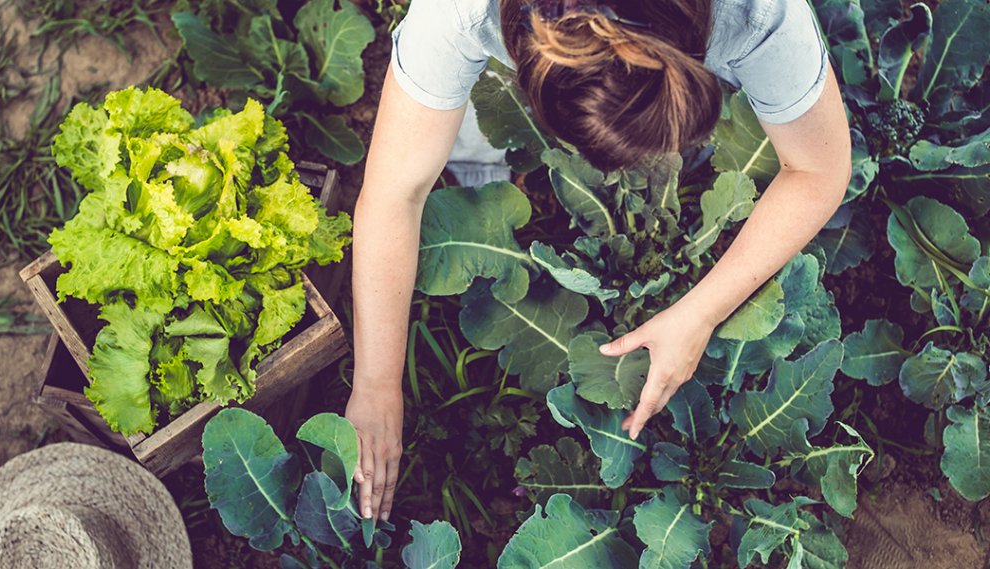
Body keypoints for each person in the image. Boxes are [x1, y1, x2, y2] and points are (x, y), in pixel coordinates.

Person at [343, 0, 852, 523]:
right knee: (455, 136)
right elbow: (393, 195)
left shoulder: (757, 11)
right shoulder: (459, 12)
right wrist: (376, 385)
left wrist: (699, 312)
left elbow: (821, 169)